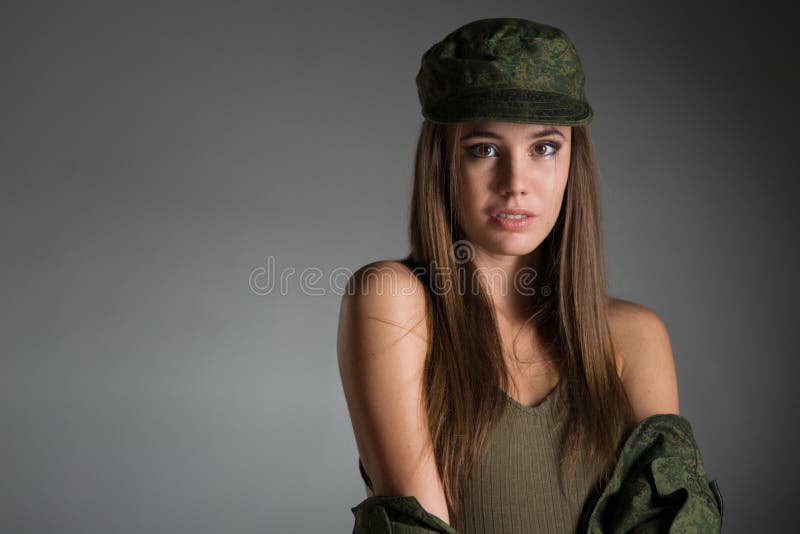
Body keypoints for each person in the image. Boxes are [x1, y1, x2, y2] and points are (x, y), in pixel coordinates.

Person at [337, 18, 722, 533]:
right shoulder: (392, 301)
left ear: (571, 161)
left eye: (543, 148)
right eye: (484, 149)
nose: (515, 183)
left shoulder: (636, 337)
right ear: (442, 162)